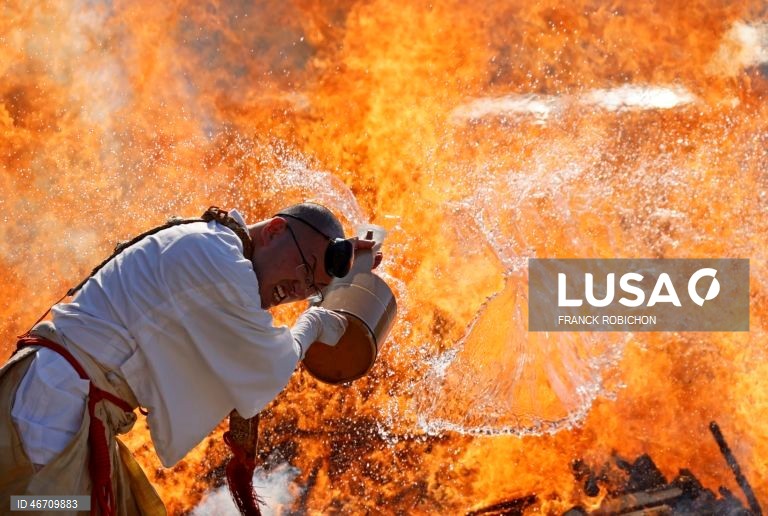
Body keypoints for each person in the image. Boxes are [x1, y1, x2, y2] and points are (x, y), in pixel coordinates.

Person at [0, 202, 378, 515]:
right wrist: (312, 324)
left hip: (64, 401)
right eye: (303, 268)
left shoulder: (215, 250)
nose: (297, 288)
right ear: (275, 230)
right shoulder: (218, 260)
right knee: (37, 506)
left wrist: (340, 277)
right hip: (53, 406)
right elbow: (269, 365)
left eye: (311, 288)